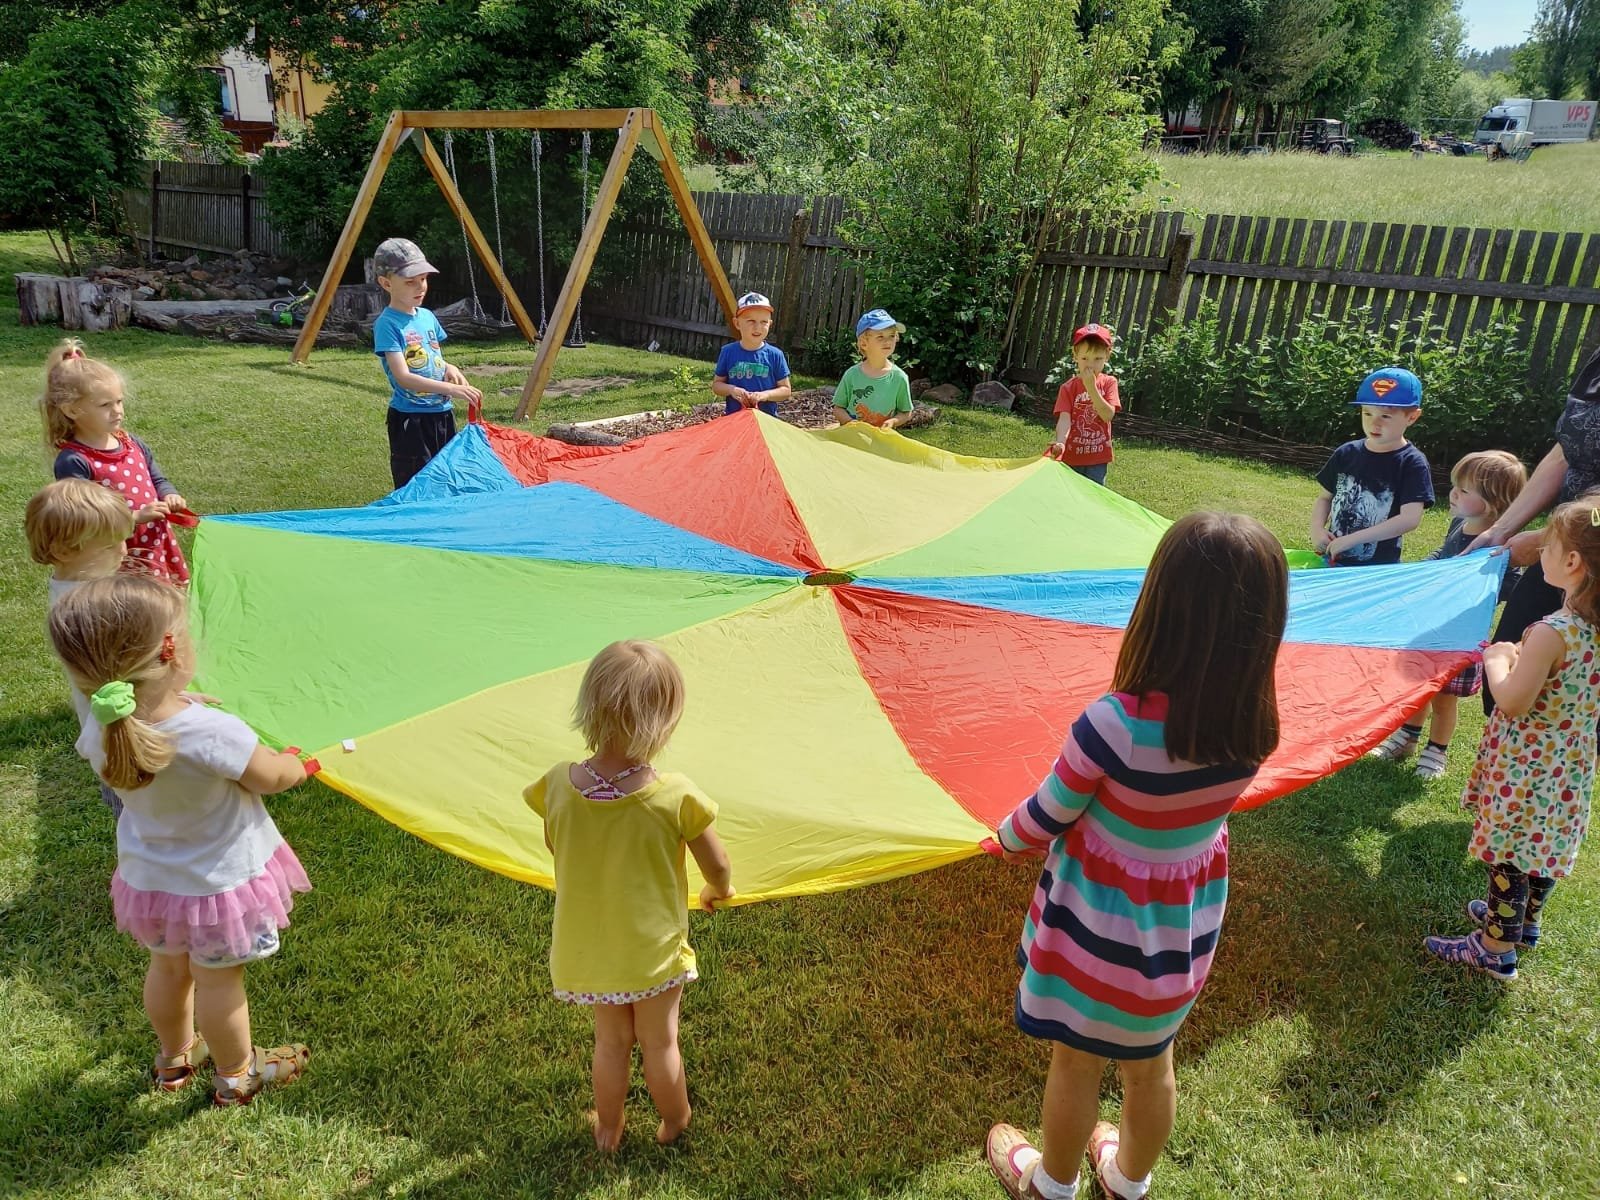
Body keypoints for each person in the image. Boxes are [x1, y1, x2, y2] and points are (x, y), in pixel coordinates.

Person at [984, 512, 1288, 1200]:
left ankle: (1050, 1183)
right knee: (1152, 1067)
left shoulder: (1113, 725)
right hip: (1173, 943)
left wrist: (1003, 838)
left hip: (1096, 941)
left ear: (1160, 606)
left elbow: (1049, 813)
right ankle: (1127, 1181)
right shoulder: (1255, 728)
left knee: (1076, 1064)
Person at [48, 573, 317, 1104]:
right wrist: (300, 763)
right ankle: (237, 1075)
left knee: (169, 969)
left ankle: (174, 1058)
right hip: (217, 888)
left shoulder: (103, 727)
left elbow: (154, 732)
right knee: (218, 981)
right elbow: (270, 777)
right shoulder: (213, 732)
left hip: (151, 882)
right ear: (171, 653)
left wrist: (172, 700)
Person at [523, 640, 734, 1151]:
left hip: (591, 951)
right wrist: (718, 888)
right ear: (663, 724)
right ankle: (675, 1120)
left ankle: (608, 1128)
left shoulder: (558, 785)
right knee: (659, 1042)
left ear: (588, 708)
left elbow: (555, 843)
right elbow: (718, 863)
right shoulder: (675, 796)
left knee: (611, 1043)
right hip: (653, 952)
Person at [1424, 497, 1600, 981]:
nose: (1540, 553)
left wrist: (1497, 660)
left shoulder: (1552, 632)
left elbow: (1514, 701)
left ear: (1571, 561)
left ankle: (1495, 947)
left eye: (1548, 546)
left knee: (1509, 854)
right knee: (1543, 847)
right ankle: (1524, 923)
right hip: (1568, 768)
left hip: (1527, 768)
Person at [1368, 450, 1528, 778]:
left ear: (1493, 503)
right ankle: (1407, 738)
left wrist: (1477, 580)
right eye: (1455, 485)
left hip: (1460, 635)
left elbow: (1511, 584)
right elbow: (1444, 553)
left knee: (1444, 698)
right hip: (1429, 628)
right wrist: (1426, 569)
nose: (1453, 493)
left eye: (1464, 490)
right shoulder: (1459, 524)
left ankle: (1436, 751)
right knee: (1417, 688)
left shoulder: (1501, 544)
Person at [1469, 345, 1600, 714]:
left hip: (1582, 552)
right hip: (1566, 548)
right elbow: (1566, 451)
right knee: (1505, 682)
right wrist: (1502, 529)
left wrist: (1551, 539)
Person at [26, 478, 137, 815]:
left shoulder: (80, 587)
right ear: (64, 551)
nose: (123, 551)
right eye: (110, 545)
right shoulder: (85, 609)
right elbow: (120, 675)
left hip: (112, 725)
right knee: (135, 807)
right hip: (121, 729)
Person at [41, 339, 191, 584]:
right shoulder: (74, 460)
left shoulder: (132, 442)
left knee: (163, 599)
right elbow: (83, 517)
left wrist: (169, 494)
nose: (117, 410)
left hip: (154, 543)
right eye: (105, 405)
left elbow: (157, 479)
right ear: (72, 410)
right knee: (128, 603)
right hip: (116, 553)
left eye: (119, 401)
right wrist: (134, 517)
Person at [372, 236, 483, 489]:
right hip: (412, 419)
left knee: (445, 476)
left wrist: (450, 368)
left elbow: (434, 357)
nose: (420, 287)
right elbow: (403, 377)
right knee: (415, 482)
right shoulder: (387, 324)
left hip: (441, 414)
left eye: (423, 279)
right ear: (386, 283)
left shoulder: (427, 317)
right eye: (410, 281)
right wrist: (451, 389)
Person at [1309, 366, 1434, 565]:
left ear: (1412, 417)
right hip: (1331, 561)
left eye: (1385, 416)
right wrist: (1316, 529)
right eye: (1367, 413)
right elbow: (1325, 498)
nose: (1374, 424)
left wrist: (1353, 540)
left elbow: (1409, 519)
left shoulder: (1412, 463)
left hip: (1376, 569)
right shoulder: (1346, 453)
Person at [1046, 324, 1121, 486]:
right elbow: (1064, 419)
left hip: (1097, 458)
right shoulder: (1068, 388)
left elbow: (1107, 415)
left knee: (1092, 495)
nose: (1090, 365)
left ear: (1107, 355)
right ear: (1075, 355)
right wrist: (1060, 442)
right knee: (1069, 493)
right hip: (1071, 456)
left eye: (1097, 359)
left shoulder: (1109, 383)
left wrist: (1091, 388)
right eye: (1085, 358)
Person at [832, 309, 915, 429]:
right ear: (864, 343)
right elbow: (838, 408)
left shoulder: (899, 377)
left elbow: (906, 412)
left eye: (891, 336)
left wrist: (893, 422)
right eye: (880, 336)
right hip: (852, 437)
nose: (888, 341)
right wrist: (851, 423)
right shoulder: (852, 375)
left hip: (881, 438)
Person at [713, 292, 792, 417]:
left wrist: (765, 395)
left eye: (764, 322)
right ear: (737, 323)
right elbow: (717, 385)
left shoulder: (775, 355)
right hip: (735, 419)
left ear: (770, 324)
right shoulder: (728, 352)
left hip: (765, 421)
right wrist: (732, 390)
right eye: (751, 321)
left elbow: (786, 390)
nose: (757, 327)